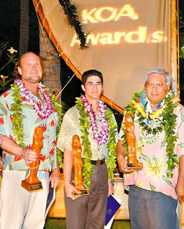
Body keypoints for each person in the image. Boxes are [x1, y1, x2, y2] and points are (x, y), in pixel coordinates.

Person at [116, 68, 184, 229]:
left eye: (159, 84)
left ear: (167, 89)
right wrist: (120, 157)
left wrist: (181, 183)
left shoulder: (178, 112)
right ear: (144, 87)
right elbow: (122, 139)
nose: (154, 89)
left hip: (164, 185)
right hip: (137, 182)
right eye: (150, 84)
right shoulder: (133, 111)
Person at [0, 52, 60, 229]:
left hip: (43, 173)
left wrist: (55, 169)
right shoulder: (8, 98)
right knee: (11, 224)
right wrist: (22, 152)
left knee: (35, 224)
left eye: (37, 64)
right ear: (20, 70)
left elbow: (52, 139)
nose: (34, 68)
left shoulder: (49, 102)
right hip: (18, 171)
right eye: (29, 64)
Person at [57, 69, 118, 229]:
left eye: (98, 83)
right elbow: (68, 151)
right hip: (79, 172)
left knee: (98, 224)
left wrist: (110, 180)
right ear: (84, 87)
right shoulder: (73, 114)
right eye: (90, 83)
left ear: (102, 87)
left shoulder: (109, 116)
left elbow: (111, 150)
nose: (94, 87)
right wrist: (67, 183)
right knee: (76, 223)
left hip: (102, 172)